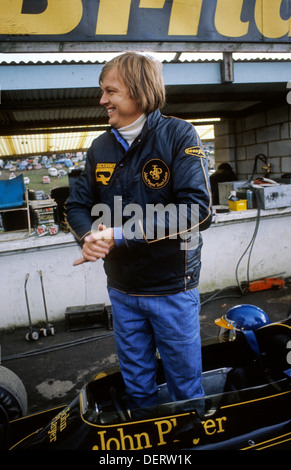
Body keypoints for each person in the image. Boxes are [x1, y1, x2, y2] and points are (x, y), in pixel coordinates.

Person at [65, 52, 212, 413]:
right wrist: (88, 237)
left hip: (172, 288)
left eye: (110, 91)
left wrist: (118, 233)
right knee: (136, 382)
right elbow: (76, 207)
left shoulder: (179, 134)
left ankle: (189, 437)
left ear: (138, 90)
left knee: (185, 384)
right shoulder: (99, 146)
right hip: (123, 288)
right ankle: (144, 436)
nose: (102, 100)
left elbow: (198, 209)